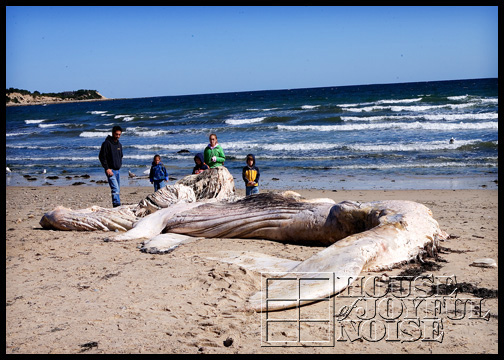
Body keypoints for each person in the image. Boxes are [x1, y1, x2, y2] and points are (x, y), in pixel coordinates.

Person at [99, 125, 123, 207]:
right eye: (116, 134)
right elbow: (102, 157)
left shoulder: (119, 145)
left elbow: (121, 156)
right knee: (115, 189)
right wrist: (107, 168)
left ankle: (116, 204)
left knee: (117, 189)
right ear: (113, 133)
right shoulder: (106, 143)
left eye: (119, 134)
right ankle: (117, 205)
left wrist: (119, 164)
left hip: (117, 170)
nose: (118, 136)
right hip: (110, 170)